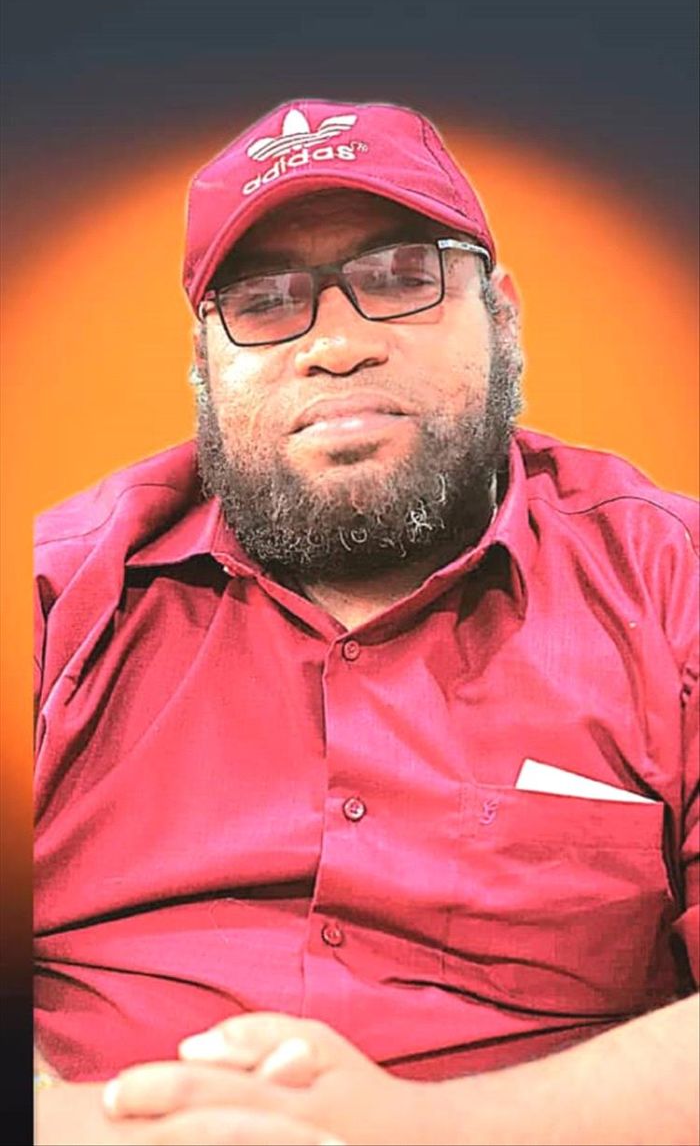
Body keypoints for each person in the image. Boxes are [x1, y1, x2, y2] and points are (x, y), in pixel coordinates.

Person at [34, 99, 699, 1146]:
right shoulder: (51, 599)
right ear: (204, 362)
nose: (337, 345)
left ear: (502, 314)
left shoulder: (672, 583)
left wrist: (415, 1129)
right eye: (265, 302)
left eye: (398, 279)